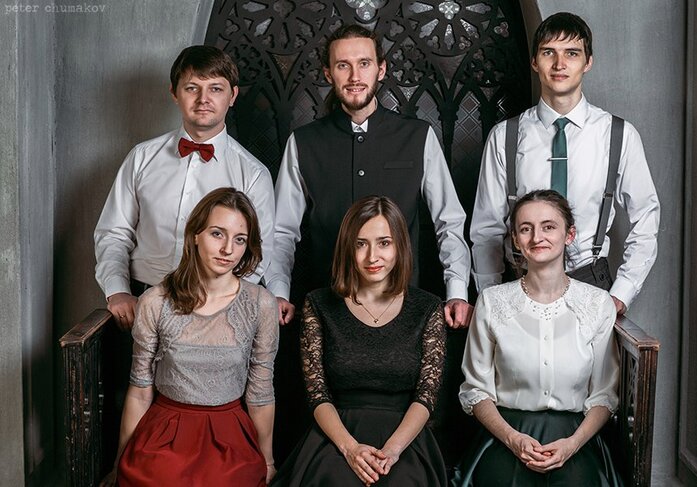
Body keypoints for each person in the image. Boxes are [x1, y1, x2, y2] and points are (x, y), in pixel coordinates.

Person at [266, 24, 472, 329]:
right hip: (326, 311)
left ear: (381, 69)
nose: (354, 76)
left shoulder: (418, 136)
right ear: (328, 74)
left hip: (404, 309)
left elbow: (449, 221)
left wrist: (456, 292)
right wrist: (278, 292)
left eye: (364, 63)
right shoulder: (303, 142)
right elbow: (282, 231)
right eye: (343, 66)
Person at [470, 12, 660, 315]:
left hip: (591, 282)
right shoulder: (505, 136)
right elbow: (487, 230)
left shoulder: (618, 135)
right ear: (535, 62)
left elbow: (646, 219)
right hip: (519, 283)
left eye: (572, 53)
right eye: (549, 53)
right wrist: (490, 299)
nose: (560, 64)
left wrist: (623, 292)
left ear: (588, 62)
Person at [100, 188, 279, 487]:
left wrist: (268, 462)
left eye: (239, 239)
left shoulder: (260, 303)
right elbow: (140, 391)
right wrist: (119, 462)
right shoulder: (155, 301)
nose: (228, 249)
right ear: (195, 235)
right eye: (217, 234)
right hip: (165, 434)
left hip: (230, 435)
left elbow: (260, 393)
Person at [271, 196, 448, 487]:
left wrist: (392, 450)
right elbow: (317, 394)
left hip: (405, 438)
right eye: (360, 244)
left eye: (384, 243)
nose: (372, 257)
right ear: (347, 248)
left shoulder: (427, 308)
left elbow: (426, 395)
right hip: (337, 435)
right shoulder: (319, 304)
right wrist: (350, 449)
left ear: (399, 246)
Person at [95, 45, 275, 329]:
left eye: (215, 89)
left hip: (216, 311)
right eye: (192, 88)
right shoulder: (141, 157)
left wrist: (220, 305)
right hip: (141, 301)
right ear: (174, 93)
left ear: (232, 96)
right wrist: (117, 291)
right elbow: (113, 233)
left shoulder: (253, 174)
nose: (203, 99)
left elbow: (257, 254)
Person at [457, 189, 621, 486]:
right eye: (525, 229)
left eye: (548, 227)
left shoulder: (598, 304)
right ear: (515, 240)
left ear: (569, 235)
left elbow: (604, 395)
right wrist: (513, 439)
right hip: (505, 433)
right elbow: (476, 390)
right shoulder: (491, 302)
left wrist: (571, 445)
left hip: (576, 437)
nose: (537, 237)